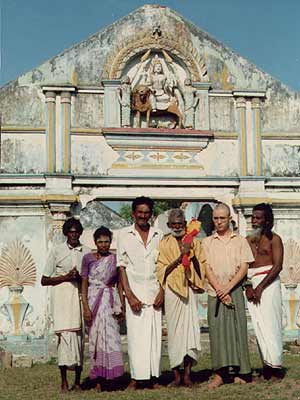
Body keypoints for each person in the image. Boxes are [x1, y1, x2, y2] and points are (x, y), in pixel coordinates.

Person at [202, 203, 254, 389]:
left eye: (222, 218)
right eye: (215, 218)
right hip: (214, 292)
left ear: (229, 219)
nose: (218, 222)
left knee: (237, 330)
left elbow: (244, 266)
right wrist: (219, 289)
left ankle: (242, 372)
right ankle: (220, 374)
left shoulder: (240, 240)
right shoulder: (207, 242)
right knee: (217, 333)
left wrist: (228, 288)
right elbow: (206, 268)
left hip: (235, 290)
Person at [117, 196, 164, 390]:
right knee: (136, 338)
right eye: (140, 212)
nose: (143, 216)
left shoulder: (159, 235)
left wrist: (162, 291)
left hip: (154, 293)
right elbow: (121, 266)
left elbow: (164, 265)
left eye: (146, 213)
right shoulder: (123, 234)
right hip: (134, 294)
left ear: (151, 214)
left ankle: (153, 378)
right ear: (133, 213)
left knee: (154, 338)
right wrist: (129, 294)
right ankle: (136, 378)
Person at [156, 209, 206, 387]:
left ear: (185, 225)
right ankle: (176, 376)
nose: (177, 227)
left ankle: (187, 375)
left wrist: (189, 255)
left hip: (189, 290)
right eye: (174, 224)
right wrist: (179, 258)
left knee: (190, 334)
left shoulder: (195, 242)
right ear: (169, 225)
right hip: (172, 291)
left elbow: (202, 267)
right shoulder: (164, 243)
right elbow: (161, 270)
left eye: (180, 223)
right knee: (175, 334)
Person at [41, 218, 90, 392]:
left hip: (78, 297)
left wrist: (79, 278)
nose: (74, 234)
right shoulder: (57, 250)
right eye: (71, 231)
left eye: (77, 231)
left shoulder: (87, 252)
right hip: (62, 297)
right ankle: (63, 381)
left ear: (81, 233)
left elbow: (90, 279)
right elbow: (44, 280)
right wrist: (66, 277)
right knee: (64, 338)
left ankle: (77, 381)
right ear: (66, 233)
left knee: (78, 338)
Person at [81, 226, 124, 392]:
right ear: (95, 242)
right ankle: (98, 379)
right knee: (95, 339)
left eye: (107, 241)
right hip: (93, 302)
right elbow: (84, 284)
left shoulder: (115, 259)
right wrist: (85, 306)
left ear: (110, 242)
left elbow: (119, 284)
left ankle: (111, 378)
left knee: (111, 338)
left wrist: (122, 306)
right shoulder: (88, 259)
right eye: (100, 241)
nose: (104, 245)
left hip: (110, 302)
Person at [246, 203, 284, 380]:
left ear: (267, 220)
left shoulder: (274, 239)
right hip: (253, 284)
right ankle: (266, 366)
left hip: (269, 285)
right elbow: (243, 264)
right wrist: (248, 287)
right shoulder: (248, 240)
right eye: (253, 217)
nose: (254, 220)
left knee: (271, 324)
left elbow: (278, 266)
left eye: (258, 217)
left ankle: (276, 367)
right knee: (259, 326)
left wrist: (260, 287)